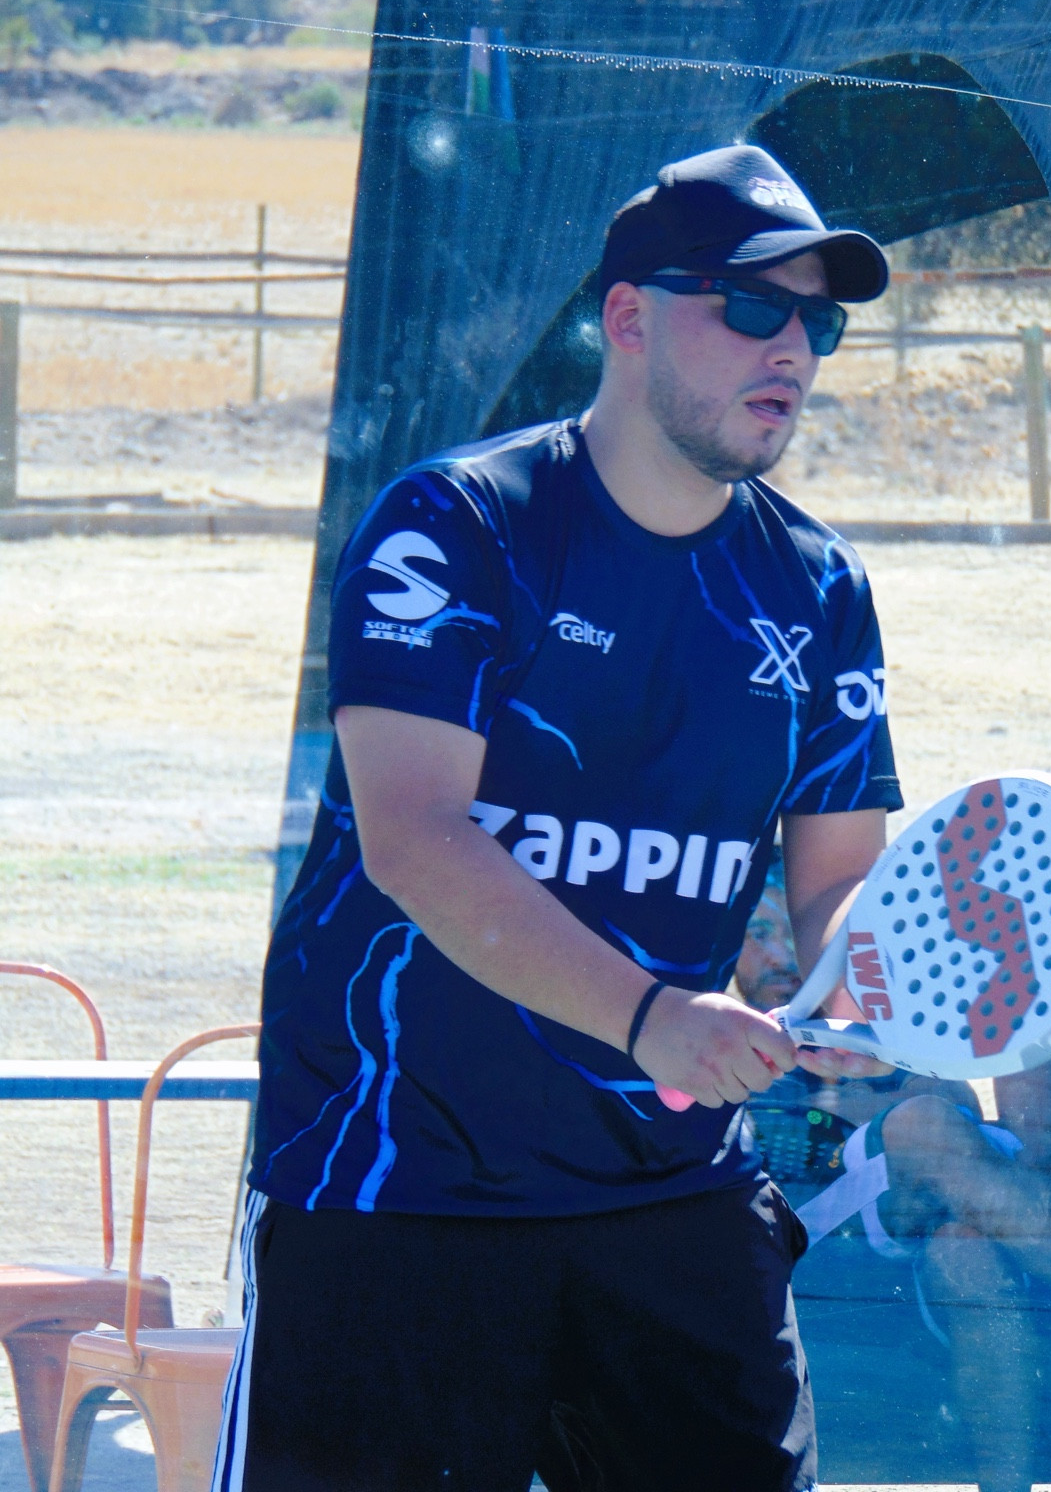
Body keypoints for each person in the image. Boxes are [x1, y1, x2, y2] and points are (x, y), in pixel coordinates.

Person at [212, 144, 900, 1492]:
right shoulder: (457, 526)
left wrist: (861, 982)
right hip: (395, 1192)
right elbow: (415, 840)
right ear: (628, 316)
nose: (791, 350)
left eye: (817, 324)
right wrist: (656, 1019)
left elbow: (837, 888)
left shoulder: (823, 589)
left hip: (674, 1198)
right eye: (751, 306)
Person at [736, 856, 1051, 1492]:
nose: (778, 954)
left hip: (903, 1234)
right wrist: (879, 1107)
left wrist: (875, 1090)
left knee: (966, 1251)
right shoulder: (728, 1038)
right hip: (805, 1246)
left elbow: (957, 1099)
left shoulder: (871, 1025)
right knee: (922, 1127)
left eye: (791, 931)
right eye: (757, 933)